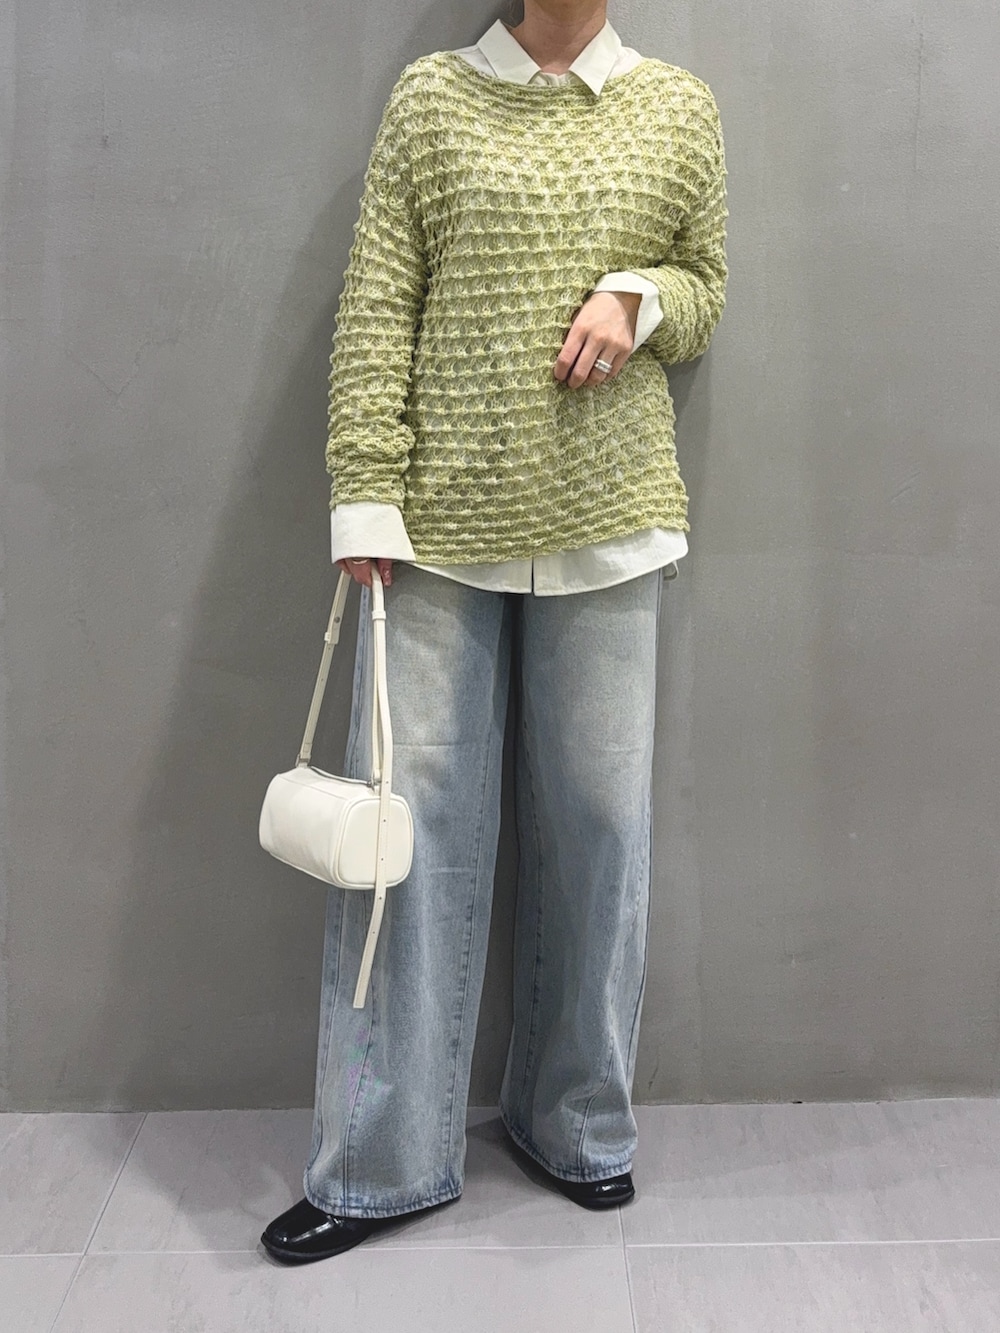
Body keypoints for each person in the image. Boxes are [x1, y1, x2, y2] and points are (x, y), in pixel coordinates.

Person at [261, 0, 727, 1264]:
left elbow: (707, 284)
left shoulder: (675, 105)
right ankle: (378, 1162)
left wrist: (639, 295)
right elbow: (379, 305)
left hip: (613, 516)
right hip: (434, 531)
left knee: (601, 834)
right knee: (405, 849)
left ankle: (575, 1124)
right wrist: (364, 492)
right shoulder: (432, 99)